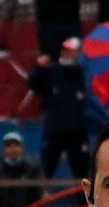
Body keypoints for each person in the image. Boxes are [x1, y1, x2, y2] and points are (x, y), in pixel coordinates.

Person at [31, 37, 95, 185]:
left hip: (78, 132)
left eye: (70, 51)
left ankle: (84, 205)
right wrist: (39, 68)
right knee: (45, 172)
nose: (65, 54)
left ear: (79, 53)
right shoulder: (52, 71)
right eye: (64, 51)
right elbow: (34, 84)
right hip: (54, 131)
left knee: (82, 176)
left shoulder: (85, 75)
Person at [0, 130, 41, 207]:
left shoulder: (32, 171)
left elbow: (39, 196)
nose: (13, 149)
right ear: (4, 149)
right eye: (9, 146)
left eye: (16, 145)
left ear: (22, 148)